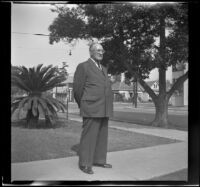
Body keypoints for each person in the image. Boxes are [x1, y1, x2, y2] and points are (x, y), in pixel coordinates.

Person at [73, 43, 113, 174]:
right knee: (89, 136)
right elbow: (78, 90)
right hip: (91, 107)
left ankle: (99, 160)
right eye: (98, 50)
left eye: (102, 50)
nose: (101, 52)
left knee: (102, 135)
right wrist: (84, 104)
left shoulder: (104, 68)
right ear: (91, 52)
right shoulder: (83, 66)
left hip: (104, 107)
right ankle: (85, 163)